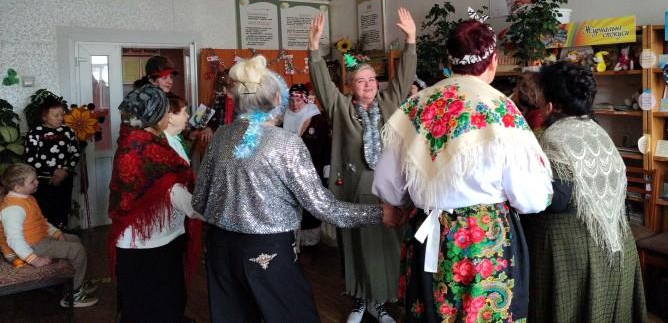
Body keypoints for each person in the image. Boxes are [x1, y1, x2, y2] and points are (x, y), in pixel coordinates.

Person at [192, 55, 399, 323]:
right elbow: (322, 207)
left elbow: (199, 200)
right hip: (267, 252)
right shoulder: (286, 143)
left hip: (220, 250)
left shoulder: (220, 135)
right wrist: (379, 213)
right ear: (277, 99)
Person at [373, 19, 553, 323]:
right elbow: (532, 199)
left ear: (450, 61)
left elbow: (388, 182)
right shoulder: (501, 109)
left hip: (428, 233)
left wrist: (397, 203)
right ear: (493, 61)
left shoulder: (416, 105)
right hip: (484, 241)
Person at [308, 9, 417, 323]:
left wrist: (411, 40)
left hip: (387, 191)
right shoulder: (340, 107)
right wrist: (313, 49)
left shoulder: (390, 103)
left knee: (384, 248)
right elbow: (322, 84)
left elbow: (404, 76)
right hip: (353, 190)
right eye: (360, 80)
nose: (368, 85)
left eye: (372, 79)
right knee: (354, 246)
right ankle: (358, 301)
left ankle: (379, 303)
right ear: (350, 85)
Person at [522, 61, 646, 323]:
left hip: (575, 256)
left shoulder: (554, 137)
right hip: (618, 247)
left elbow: (557, 200)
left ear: (551, 105)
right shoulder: (598, 131)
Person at [109, 84, 202, 323]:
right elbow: (172, 192)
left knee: (139, 306)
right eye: (165, 112)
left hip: (141, 240)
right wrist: (210, 208)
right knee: (158, 306)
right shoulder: (148, 150)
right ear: (155, 116)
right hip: (151, 245)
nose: (168, 116)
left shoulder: (130, 142)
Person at [0, 164, 98, 307]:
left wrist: (57, 233)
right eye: (32, 181)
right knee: (77, 250)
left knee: (75, 239)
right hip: (32, 246)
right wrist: (34, 260)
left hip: (40, 239)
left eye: (36, 179)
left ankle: (74, 281)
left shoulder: (27, 198)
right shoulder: (13, 208)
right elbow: (14, 240)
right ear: (17, 187)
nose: (37, 182)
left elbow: (41, 221)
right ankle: (73, 294)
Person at [284, 83, 332, 247]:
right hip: (288, 171)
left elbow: (326, 145)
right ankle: (292, 240)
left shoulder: (317, 118)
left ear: (305, 100)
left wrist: (327, 168)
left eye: (298, 100)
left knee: (310, 204)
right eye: (291, 100)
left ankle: (310, 241)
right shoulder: (283, 117)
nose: (295, 104)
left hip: (312, 170)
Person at [24, 95, 81, 229]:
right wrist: (53, 171)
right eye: (56, 115)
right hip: (43, 182)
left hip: (64, 179)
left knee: (62, 212)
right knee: (45, 213)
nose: (60, 118)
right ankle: (47, 238)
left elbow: (75, 154)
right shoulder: (35, 133)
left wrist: (64, 172)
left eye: (62, 115)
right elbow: (30, 159)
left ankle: (61, 236)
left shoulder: (68, 131)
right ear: (44, 117)